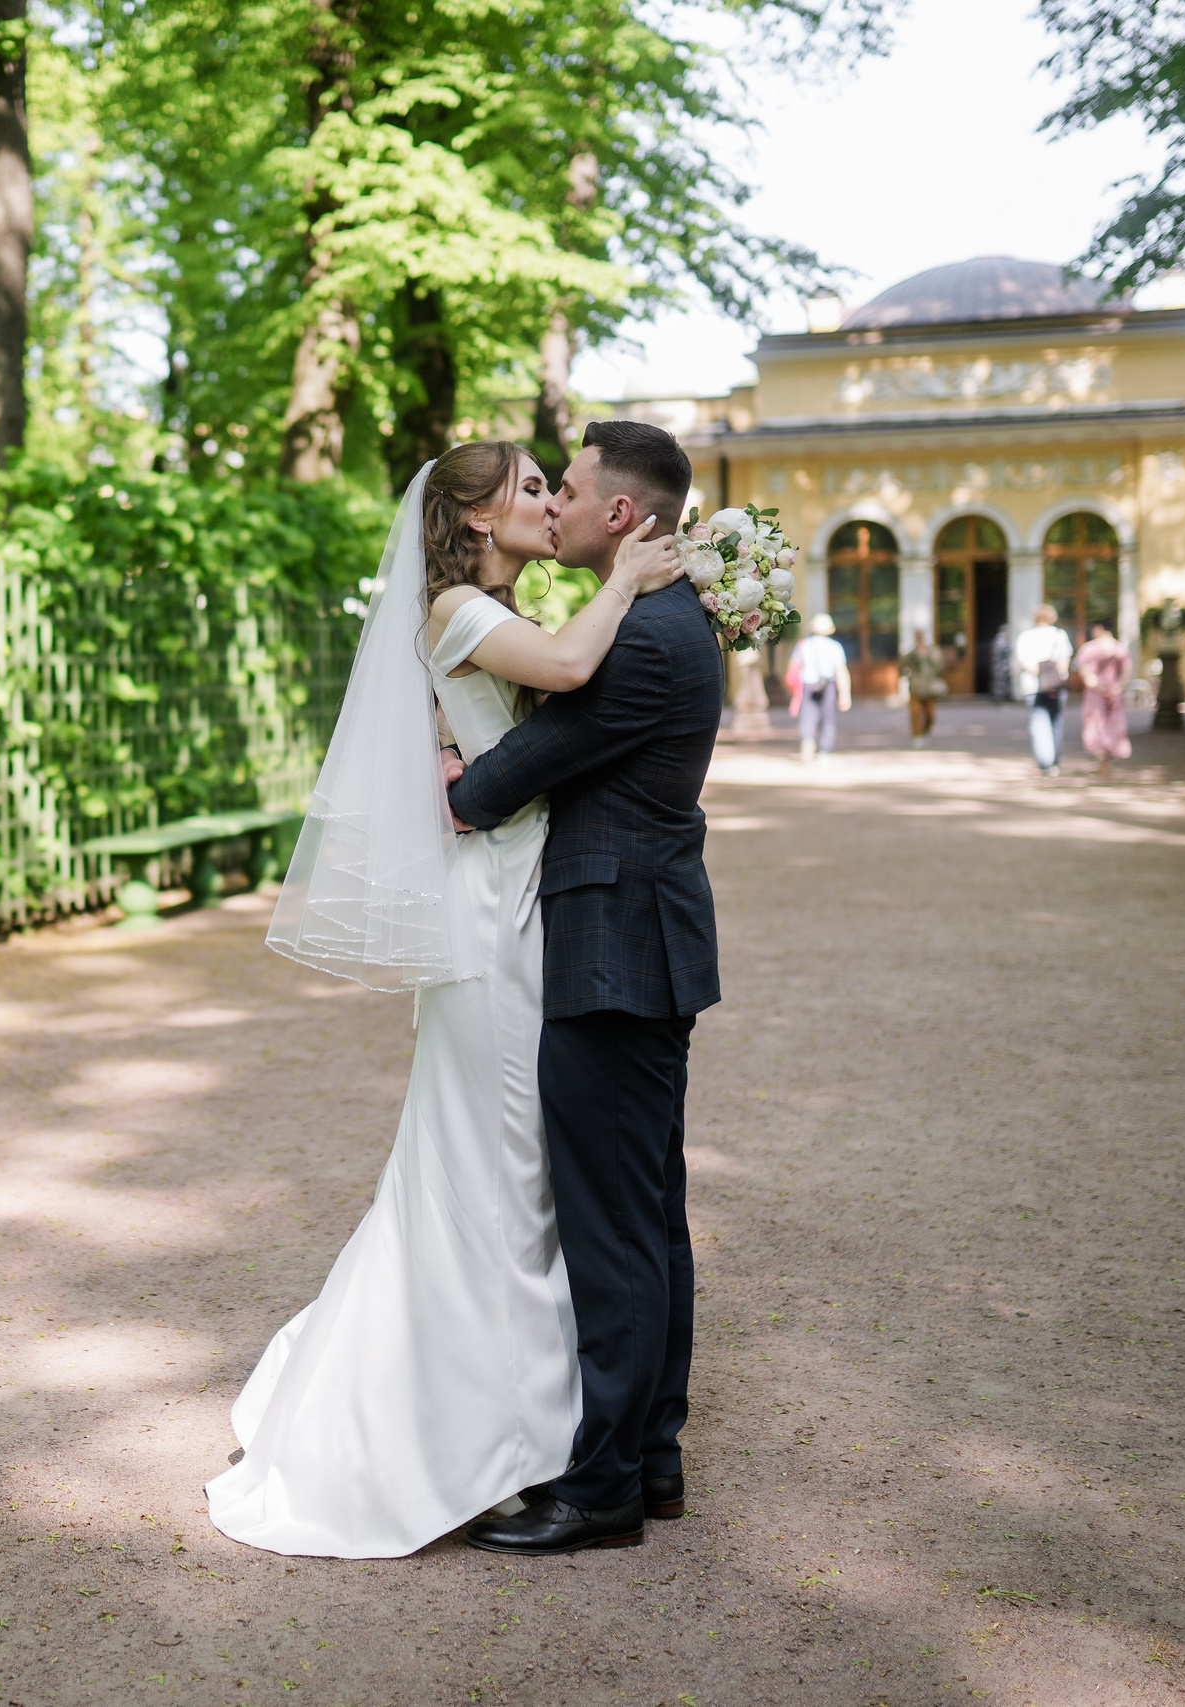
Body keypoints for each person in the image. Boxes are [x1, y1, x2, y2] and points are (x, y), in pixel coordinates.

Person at [218, 433, 685, 1559]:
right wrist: (628, 575)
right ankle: (497, 1435)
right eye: (532, 488)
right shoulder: (454, 611)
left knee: (515, 1170)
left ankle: (538, 1431)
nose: (549, 501)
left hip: (537, 894)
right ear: (475, 519)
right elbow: (571, 674)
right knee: (500, 1163)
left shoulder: (494, 615)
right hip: (495, 913)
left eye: (554, 487)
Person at [445, 420, 724, 1557]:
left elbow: (501, 783)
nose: (551, 501)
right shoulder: (666, 618)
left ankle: (604, 1482)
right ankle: (651, 1455)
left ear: (621, 515)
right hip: (644, 944)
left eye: (566, 488)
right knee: (649, 1214)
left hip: (610, 955)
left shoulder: (641, 641)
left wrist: (464, 778)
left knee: (614, 1228)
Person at [1012, 603, 1074, 776]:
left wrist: (1040, 674)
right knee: (1055, 722)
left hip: (1033, 686)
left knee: (1039, 723)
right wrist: (1056, 676)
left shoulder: (1026, 636)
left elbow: (1023, 661)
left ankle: (1046, 763)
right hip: (1055, 685)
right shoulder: (1058, 635)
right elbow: (1064, 659)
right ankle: (1053, 761)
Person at [1076, 620, 1132, 778]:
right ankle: (1108, 756)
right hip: (1114, 691)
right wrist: (1117, 688)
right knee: (1113, 723)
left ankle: (1101, 757)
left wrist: (1098, 689)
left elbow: (1087, 674)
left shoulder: (1089, 649)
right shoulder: (1120, 649)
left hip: (1096, 693)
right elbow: (1126, 672)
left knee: (1095, 723)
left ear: (1099, 629)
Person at [791, 612, 850, 760]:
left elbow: (793, 668)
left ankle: (807, 745)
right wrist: (845, 694)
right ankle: (825, 750)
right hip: (827, 684)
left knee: (807, 717)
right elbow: (841, 671)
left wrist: (794, 692)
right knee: (828, 718)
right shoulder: (835, 647)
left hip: (808, 684)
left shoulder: (803, 645)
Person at [902, 627, 946, 747]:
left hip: (930, 687)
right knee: (915, 713)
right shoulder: (911, 653)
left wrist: (927, 656)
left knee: (930, 714)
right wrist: (909, 677)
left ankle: (925, 732)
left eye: (921, 636)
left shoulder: (933, 651)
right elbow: (902, 668)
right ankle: (917, 736)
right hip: (916, 687)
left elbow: (940, 666)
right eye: (917, 636)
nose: (919, 639)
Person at [988, 621, 1015, 702]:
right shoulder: (1001, 640)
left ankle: (1002, 696)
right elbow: (1004, 652)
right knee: (999, 681)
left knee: (1002, 681)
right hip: (1000, 666)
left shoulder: (1000, 639)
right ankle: (998, 697)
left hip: (999, 665)